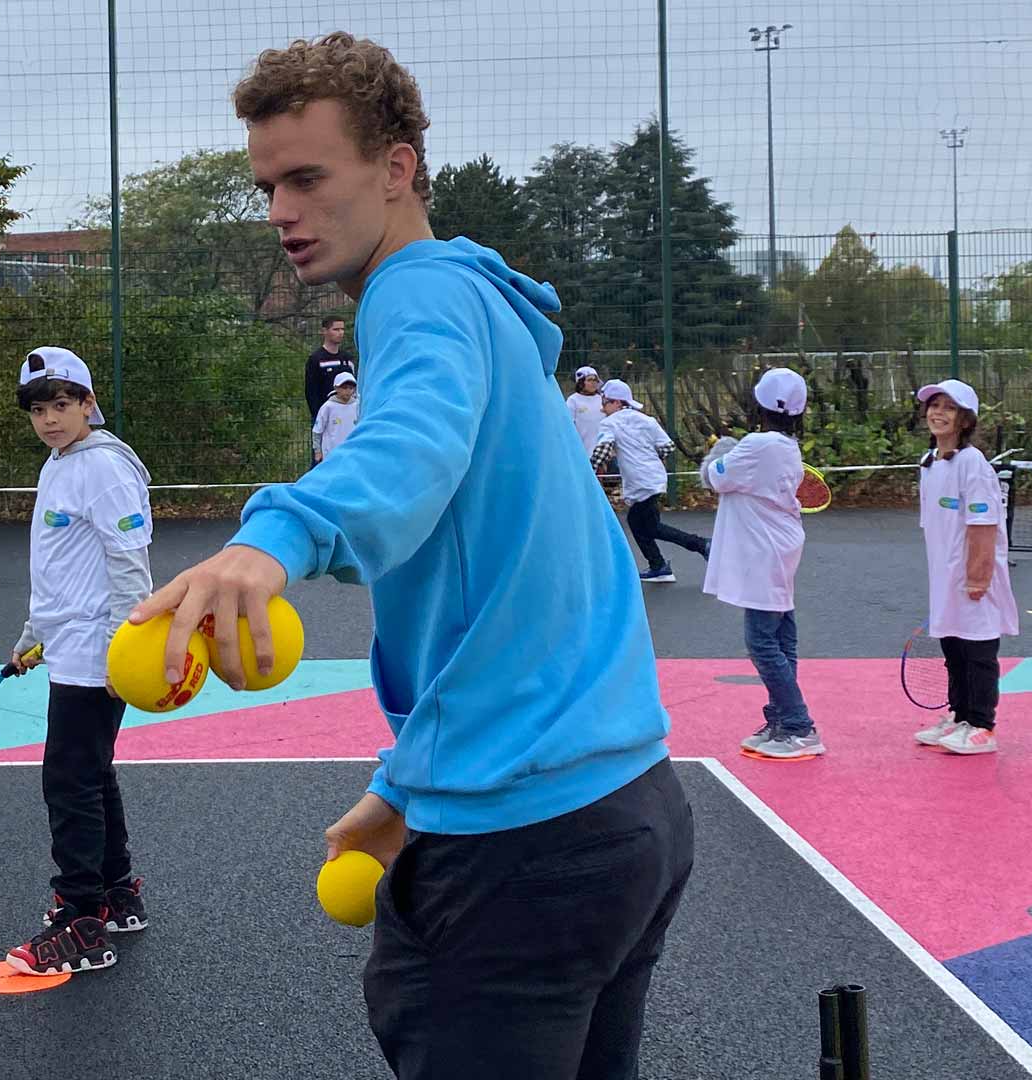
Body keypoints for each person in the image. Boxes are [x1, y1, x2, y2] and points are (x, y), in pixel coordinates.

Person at [129, 32, 692, 1079]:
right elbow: (511, 597)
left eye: (307, 177)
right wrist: (404, 788)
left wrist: (279, 536)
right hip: (630, 810)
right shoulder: (482, 309)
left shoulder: (416, 297)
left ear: (396, 170)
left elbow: (409, 448)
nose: (281, 211)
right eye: (266, 186)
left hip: (526, 847)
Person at [2, 346, 155, 977]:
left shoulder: (103, 469)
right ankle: (116, 895)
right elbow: (61, 566)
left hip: (100, 652)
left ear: (89, 404)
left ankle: (80, 922)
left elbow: (129, 567)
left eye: (62, 405)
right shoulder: (59, 463)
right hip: (71, 646)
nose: (50, 418)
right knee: (92, 775)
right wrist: (34, 632)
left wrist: (126, 650)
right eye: (39, 409)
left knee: (69, 782)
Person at [698, 369, 823, 760]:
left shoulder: (757, 445)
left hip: (764, 552)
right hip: (778, 548)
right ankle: (782, 720)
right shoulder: (786, 445)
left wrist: (721, 452)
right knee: (781, 637)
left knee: (762, 642)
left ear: (759, 404)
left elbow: (714, 478)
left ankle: (799, 725)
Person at [911, 378, 1017, 755]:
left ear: (966, 420)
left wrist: (977, 576)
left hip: (974, 576)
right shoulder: (929, 462)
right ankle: (960, 716)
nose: (938, 413)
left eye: (949, 408)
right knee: (953, 648)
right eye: (934, 405)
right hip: (944, 576)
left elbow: (984, 525)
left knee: (978, 651)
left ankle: (982, 725)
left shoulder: (972, 464)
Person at [591, 379, 710, 583]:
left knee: (647, 526)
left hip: (639, 481)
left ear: (618, 403)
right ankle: (658, 565)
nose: (602, 407)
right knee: (641, 524)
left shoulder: (610, 423)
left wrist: (588, 470)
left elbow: (603, 448)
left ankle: (699, 545)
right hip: (655, 477)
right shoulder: (647, 420)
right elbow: (667, 447)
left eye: (605, 402)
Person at [305, 315, 356, 425]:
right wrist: (318, 415)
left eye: (342, 329)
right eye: (336, 329)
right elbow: (311, 391)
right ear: (324, 331)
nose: (340, 333)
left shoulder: (347, 358)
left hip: (347, 414)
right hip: (325, 415)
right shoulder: (316, 359)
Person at [313, 371, 361, 464]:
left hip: (352, 451)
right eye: (344, 388)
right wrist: (317, 451)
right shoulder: (328, 407)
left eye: (351, 388)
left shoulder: (357, 405)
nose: (348, 391)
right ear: (336, 388)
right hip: (331, 453)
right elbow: (317, 431)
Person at [565, 365, 605, 454]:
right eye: (590, 380)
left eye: (595, 380)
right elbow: (568, 425)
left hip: (601, 450)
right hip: (582, 449)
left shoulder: (602, 399)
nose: (593, 383)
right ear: (580, 382)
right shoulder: (573, 400)